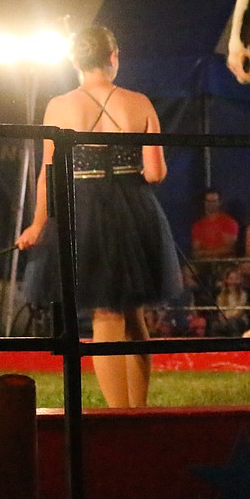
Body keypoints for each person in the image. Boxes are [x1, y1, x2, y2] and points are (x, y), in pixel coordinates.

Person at [16, 25, 181, 408]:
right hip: (135, 209)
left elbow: (48, 173)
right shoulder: (140, 102)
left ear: (75, 61)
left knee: (105, 316)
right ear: (114, 57)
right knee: (134, 314)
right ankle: (138, 411)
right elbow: (155, 174)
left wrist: (38, 224)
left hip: (85, 211)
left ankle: (118, 415)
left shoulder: (59, 106)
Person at [191, 188, 239, 263]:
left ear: (219, 202)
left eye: (214, 201)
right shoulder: (198, 225)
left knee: (232, 275)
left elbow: (230, 249)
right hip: (203, 263)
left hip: (224, 262)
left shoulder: (229, 222)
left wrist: (205, 253)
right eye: (208, 201)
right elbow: (196, 251)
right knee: (186, 272)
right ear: (204, 202)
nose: (211, 204)